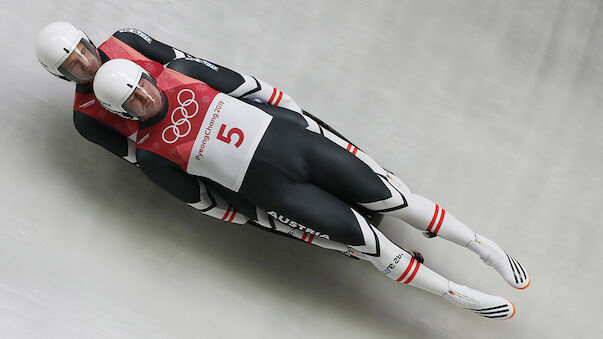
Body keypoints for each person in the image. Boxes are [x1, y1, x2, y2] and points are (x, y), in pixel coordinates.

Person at [92, 58, 530, 320]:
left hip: (299, 148)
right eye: (132, 100)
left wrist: (307, 125)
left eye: (142, 86)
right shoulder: (151, 154)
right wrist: (259, 218)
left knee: (397, 201)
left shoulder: (184, 72)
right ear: (121, 111)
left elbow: (258, 89)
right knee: (370, 247)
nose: (145, 98)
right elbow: (204, 203)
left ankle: (481, 245)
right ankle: (458, 295)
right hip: (277, 194)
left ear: (148, 77)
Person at [35, 22, 389, 234]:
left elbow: (185, 62)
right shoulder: (86, 118)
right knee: (252, 200)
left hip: (224, 115)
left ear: (86, 38)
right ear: (62, 76)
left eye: (82, 51)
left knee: (294, 132)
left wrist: (251, 93)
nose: (85, 64)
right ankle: (351, 239)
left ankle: (376, 182)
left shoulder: (128, 39)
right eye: (73, 66)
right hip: (193, 153)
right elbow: (138, 159)